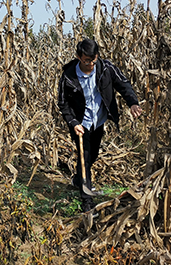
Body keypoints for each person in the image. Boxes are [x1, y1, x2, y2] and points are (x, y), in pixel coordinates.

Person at [58, 38, 143, 212]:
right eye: (86, 61)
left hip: (98, 121)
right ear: (78, 57)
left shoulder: (106, 68)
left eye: (93, 60)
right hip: (80, 124)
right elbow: (63, 102)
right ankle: (87, 202)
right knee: (85, 158)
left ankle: (78, 180)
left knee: (93, 155)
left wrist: (133, 103)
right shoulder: (68, 76)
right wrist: (73, 122)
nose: (91, 64)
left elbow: (123, 84)